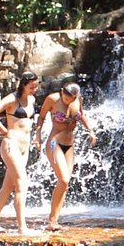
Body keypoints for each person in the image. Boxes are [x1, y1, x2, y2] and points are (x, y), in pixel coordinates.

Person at [34, 81, 97, 231]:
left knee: (65, 183)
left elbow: (81, 115)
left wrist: (90, 130)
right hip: (54, 142)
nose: (67, 101)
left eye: (71, 99)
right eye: (65, 98)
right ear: (62, 91)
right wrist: (37, 136)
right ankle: (51, 220)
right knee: (63, 179)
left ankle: (55, 220)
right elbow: (41, 117)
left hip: (69, 144)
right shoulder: (52, 99)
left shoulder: (78, 99)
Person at [0, 71, 41, 234]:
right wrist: (3, 130)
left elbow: (30, 122)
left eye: (36, 86)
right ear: (23, 85)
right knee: (22, 183)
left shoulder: (31, 99)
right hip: (11, 144)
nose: (35, 90)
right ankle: (22, 227)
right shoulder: (12, 99)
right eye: (31, 87)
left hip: (24, 147)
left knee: (7, 187)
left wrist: (37, 138)